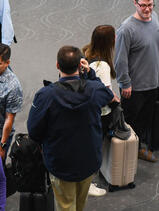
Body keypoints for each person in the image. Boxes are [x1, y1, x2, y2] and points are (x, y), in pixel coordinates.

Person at [27, 46, 114, 211]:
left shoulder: (45, 95)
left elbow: (34, 130)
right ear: (80, 66)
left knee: (65, 206)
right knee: (80, 204)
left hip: (61, 163)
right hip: (88, 161)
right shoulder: (94, 90)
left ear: (57, 66)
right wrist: (90, 74)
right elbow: (108, 95)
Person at [114, 0, 159, 162]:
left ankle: (140, 148)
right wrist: (125, 83)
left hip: (153, 83)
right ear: (135, 3)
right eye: (143, 5)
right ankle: (125, 155)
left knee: (146, 119)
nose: (147, 9)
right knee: (130, 122)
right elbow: (120, 60)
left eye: (150, 5)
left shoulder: (154, 17)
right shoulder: (127, 29)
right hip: (134, 88)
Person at [83, 24, 120, 197]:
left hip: (86, 110)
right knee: (95, 148)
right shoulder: (102, 65)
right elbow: (106, 94)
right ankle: (88, 183)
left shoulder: (86, 53)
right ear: (109, 41)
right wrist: (115, 99)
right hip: (100, 114)